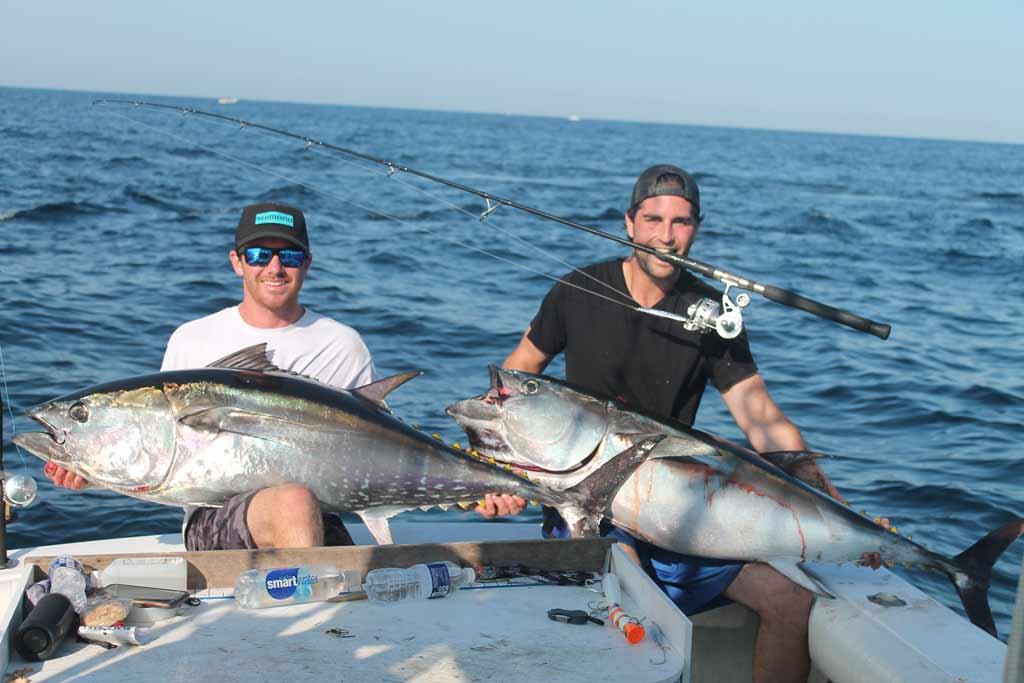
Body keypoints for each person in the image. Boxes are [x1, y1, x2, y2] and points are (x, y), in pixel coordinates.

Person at [480, 165, 874, 682]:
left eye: (681, 222)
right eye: (653, 219)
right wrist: (494, 467)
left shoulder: (712, 313)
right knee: (636, 599)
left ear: (697, 228)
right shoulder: (576, 291)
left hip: (677, 513)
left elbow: (761, 417)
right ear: (629, 223)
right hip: (588, 505)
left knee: (791, 601)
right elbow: (513, 379)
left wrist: (833, 507)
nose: (666, 235)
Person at [44, 202, 377, 551]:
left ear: (307, 262)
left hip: (318, 514)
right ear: (237, 261)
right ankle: (312, 603)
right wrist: (95, 468)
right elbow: (161, 450)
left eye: (289, 257)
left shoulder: (342, 345)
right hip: (212, 517)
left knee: (298, 505)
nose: (275, 268)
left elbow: (375, 449)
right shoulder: (193, 338)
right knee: (293, 502)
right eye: (260, 255)